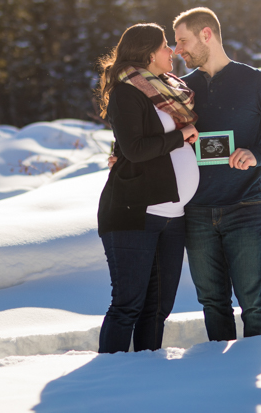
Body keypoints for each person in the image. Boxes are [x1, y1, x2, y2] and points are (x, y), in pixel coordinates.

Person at [173, 7, 261, 342]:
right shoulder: (182, 90)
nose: (177, 50)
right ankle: (221, 379)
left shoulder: (255, 81)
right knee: (213, 304)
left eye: (182, 40)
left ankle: (253, 374)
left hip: (245, 208)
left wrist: (257, 154)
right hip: (196, 214)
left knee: (255, 304)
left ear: (206, 35)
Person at [95, 23, 200, 354]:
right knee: (128, 305)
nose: (171, 51)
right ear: (147, 53)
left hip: (173, 216)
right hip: (134, 212)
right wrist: (181, 136)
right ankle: (107, 382)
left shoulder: (169, 91)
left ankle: (147, 377)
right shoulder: (128, 93)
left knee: (158, 309)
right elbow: (135, 149)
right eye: (165, 45)